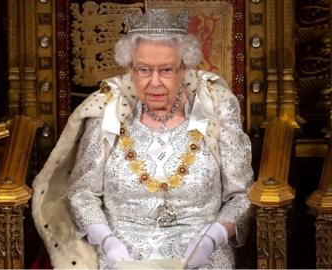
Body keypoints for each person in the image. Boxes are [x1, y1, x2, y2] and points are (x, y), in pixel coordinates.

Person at [32, 8, 253, 269]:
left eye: (167, 70)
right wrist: (106, 241)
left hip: (200, 257)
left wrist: (213, 238)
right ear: (130, 69)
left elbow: (242, 195)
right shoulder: (107, 112)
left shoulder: (216, 109)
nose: (154, 82)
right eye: (144, 70)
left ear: (184, 68)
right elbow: (82, 193)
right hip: (122, 257)